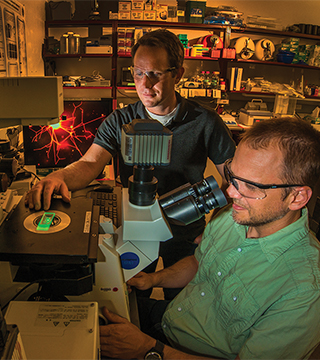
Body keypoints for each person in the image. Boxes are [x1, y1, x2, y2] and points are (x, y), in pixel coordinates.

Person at [25, 29, 235, 300]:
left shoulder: (205, 122)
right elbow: (90, 163)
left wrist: (218, 228)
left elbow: (235, 180)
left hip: (185, 229)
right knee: (131, 297)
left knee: (182, 304)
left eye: (156, 74)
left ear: (178, 74)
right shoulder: (119, 120)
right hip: (135, 227)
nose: (145, 84)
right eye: (138, 73)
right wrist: (59, 177)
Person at [99, 117, 320, 360]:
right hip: (171, 319)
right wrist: (154, 279)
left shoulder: (304, 290)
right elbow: (198, 263)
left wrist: (148, 349)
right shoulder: (235, 217)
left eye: (252, 187)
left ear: (297, 197)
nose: (231, 192)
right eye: (233, 176)